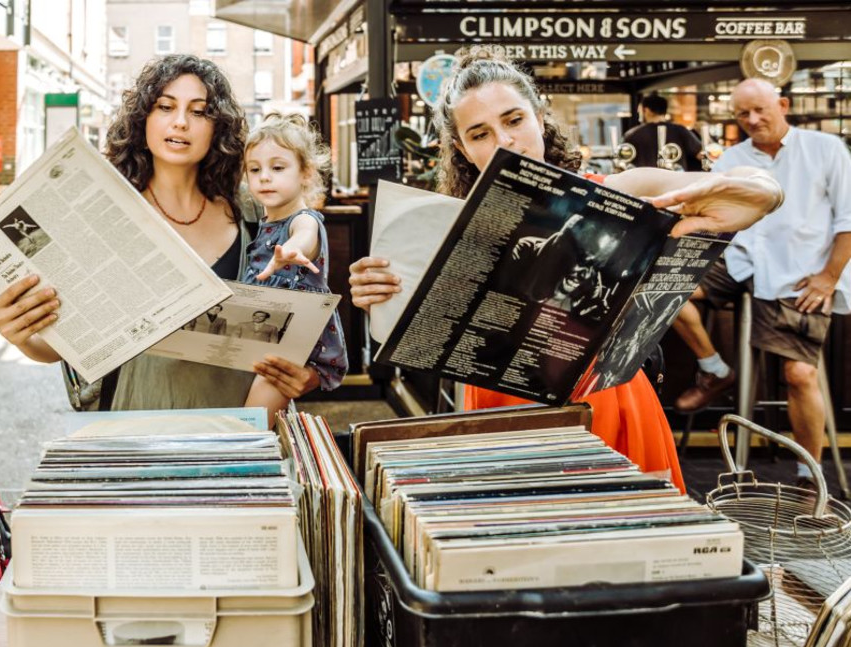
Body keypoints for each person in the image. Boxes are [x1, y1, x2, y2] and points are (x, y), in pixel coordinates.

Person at [348, 50, 784, 491]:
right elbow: (410, 332)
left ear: (539, 116)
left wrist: (761, 189)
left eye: (514, 120)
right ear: (462, 149)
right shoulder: (446, 232)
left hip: (608, 406)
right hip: (501, 413)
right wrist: (379, 293)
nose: (505, 142)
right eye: (480, 133)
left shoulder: (611, 193)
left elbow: (749, 185)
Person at [0, 54, 321, 415]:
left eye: (199, 112)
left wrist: (307, 375)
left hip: (238, 428)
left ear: (218, 127)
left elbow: (306, 315)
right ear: (143, 119)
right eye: (165, 106)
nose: (180, 122)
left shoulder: (254, 211)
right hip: (130, 424)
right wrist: (20, 335)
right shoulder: (103, 214)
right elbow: (61, 347)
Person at [669, 77, 851, 489]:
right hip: (739, 260)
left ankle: (810, 476)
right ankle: (714, 370)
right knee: (664, 287)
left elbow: (848, 221)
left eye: (759, 110)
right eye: (742, 114)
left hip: (800, 271)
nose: (752, 119)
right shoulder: (731, 158)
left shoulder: (825, 150)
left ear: (783, 104)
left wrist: (828, 278)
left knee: (801, 374)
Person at [239, 113, 348, 414]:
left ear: (306, 174)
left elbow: (306, 235)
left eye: (277, 168)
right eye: (255, 169)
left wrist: (291, 250)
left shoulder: (302, 219)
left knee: (255, 421)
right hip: (272, 333)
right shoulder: (265, 222)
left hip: (297, 339)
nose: (264, 177)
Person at [622, 93, 703, 171]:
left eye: (639, 111)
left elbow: (624, 161)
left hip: (643, 182)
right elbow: (701, 155)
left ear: (646, 110)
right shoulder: (680, 130)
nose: (639, 114)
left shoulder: (632, 134)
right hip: (676, 181)